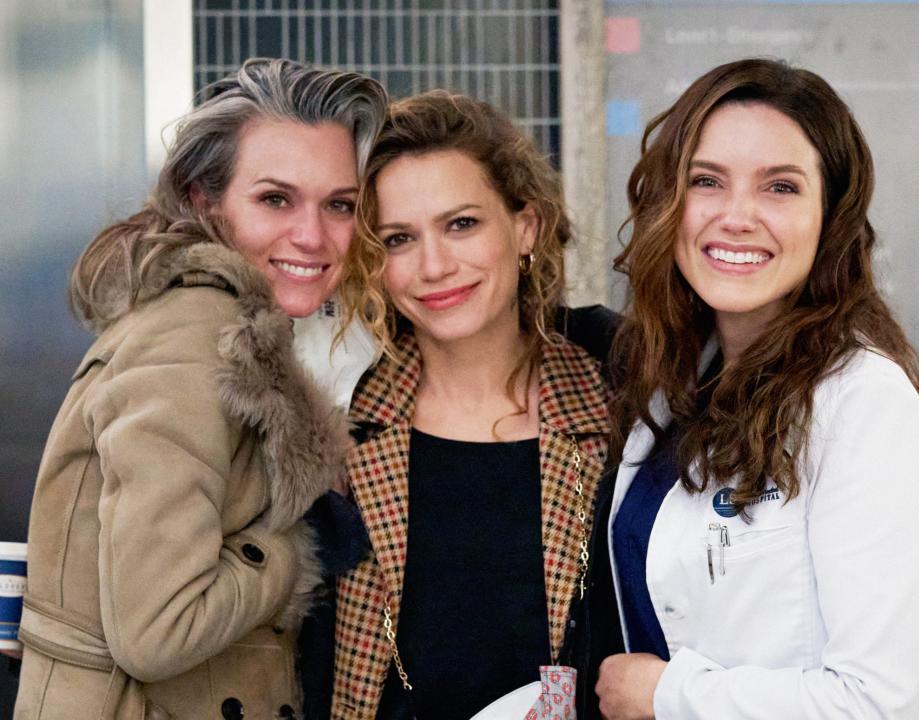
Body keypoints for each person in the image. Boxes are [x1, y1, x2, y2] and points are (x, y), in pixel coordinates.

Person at [13, 58, 386, 720]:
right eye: (275, 198)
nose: (313, 234)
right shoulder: (196, 344)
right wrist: (300, 545)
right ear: (202, 199)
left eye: (340, 205)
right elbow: (159, 630)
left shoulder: (224, 324)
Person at [585, 58, 919, 719]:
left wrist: (666, 695)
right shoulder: (672, 380)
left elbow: (871, 701)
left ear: (830, 216)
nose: (736, 216)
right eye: (707, 181)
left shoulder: (865, 404)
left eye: (779, 187)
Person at [324, 91, 610, 719]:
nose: (434, 265)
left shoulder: (622, 410)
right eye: (398, 239)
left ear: (526, 226)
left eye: (462, 224)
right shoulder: (340, 434)